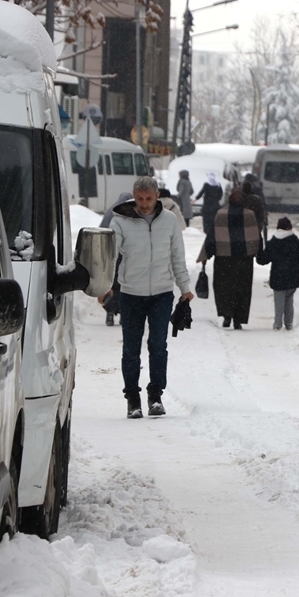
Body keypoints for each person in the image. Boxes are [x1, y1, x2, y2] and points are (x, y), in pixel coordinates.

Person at [100, 176, 193, 419]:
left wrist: (185, 287)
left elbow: (177, 257)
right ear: (134, 196)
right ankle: (133, 399)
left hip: (162, 293)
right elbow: (110, 257)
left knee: (158, 346)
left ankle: (155, 396)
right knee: (131, 349)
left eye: (149, 199)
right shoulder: (121, 220)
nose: (144, 203)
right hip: (131, 294)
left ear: (157, 196)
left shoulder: (170, 221)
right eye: (140, 199)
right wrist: (105, 285)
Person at [204, 187, 261, 330]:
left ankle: (227, 315)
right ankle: (238, 318)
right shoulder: (250, 215)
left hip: (224, 258)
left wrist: (207, 254)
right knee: (242, 288)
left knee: (224, 287)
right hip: (244, 259)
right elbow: (256, 236)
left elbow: (212, 235)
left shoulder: (221, 214)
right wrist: (260, 254)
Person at [257, 217, 299, 331]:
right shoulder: (296, 243)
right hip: (292, 277)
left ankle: (277, 324)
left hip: (278, 277)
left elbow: (263, 260)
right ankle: (289, 323)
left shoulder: (273, 243)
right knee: (289, 301)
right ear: (290, 228)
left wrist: (258, 249)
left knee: (279, 302)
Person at [99, 192, 133, 326]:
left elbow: (102, 229)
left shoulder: (111, 212)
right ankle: (124, 314)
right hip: (124, 254)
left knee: (112, 284)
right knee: (124, 284)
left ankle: (110, 312)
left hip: (110, 253)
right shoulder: (130, 213)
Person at [195, 172, 224, 237]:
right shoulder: (218, 185)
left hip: (207, 206)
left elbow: (201, 193)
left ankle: (207, 231)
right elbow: (221, 194)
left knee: (206, 219)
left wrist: (195, 199)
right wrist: (217, 199)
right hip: (215, 206)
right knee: (214, 218)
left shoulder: (206, 184)